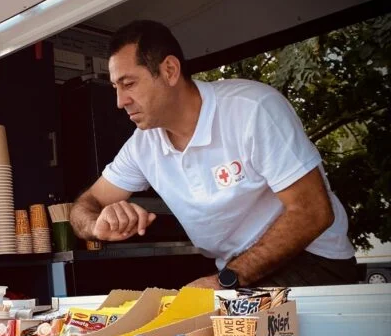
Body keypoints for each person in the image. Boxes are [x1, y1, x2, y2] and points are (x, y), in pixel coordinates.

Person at [70, 20, 357, 289]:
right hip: (236, 271)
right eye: (116, 87)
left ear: (169, 70)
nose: (120, 102)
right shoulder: (142, 146)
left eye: (129, 83)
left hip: (312, 261)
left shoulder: (251, 109)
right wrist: (97, 225)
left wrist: (224, 281)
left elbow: (312, 212)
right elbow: (85, 205)